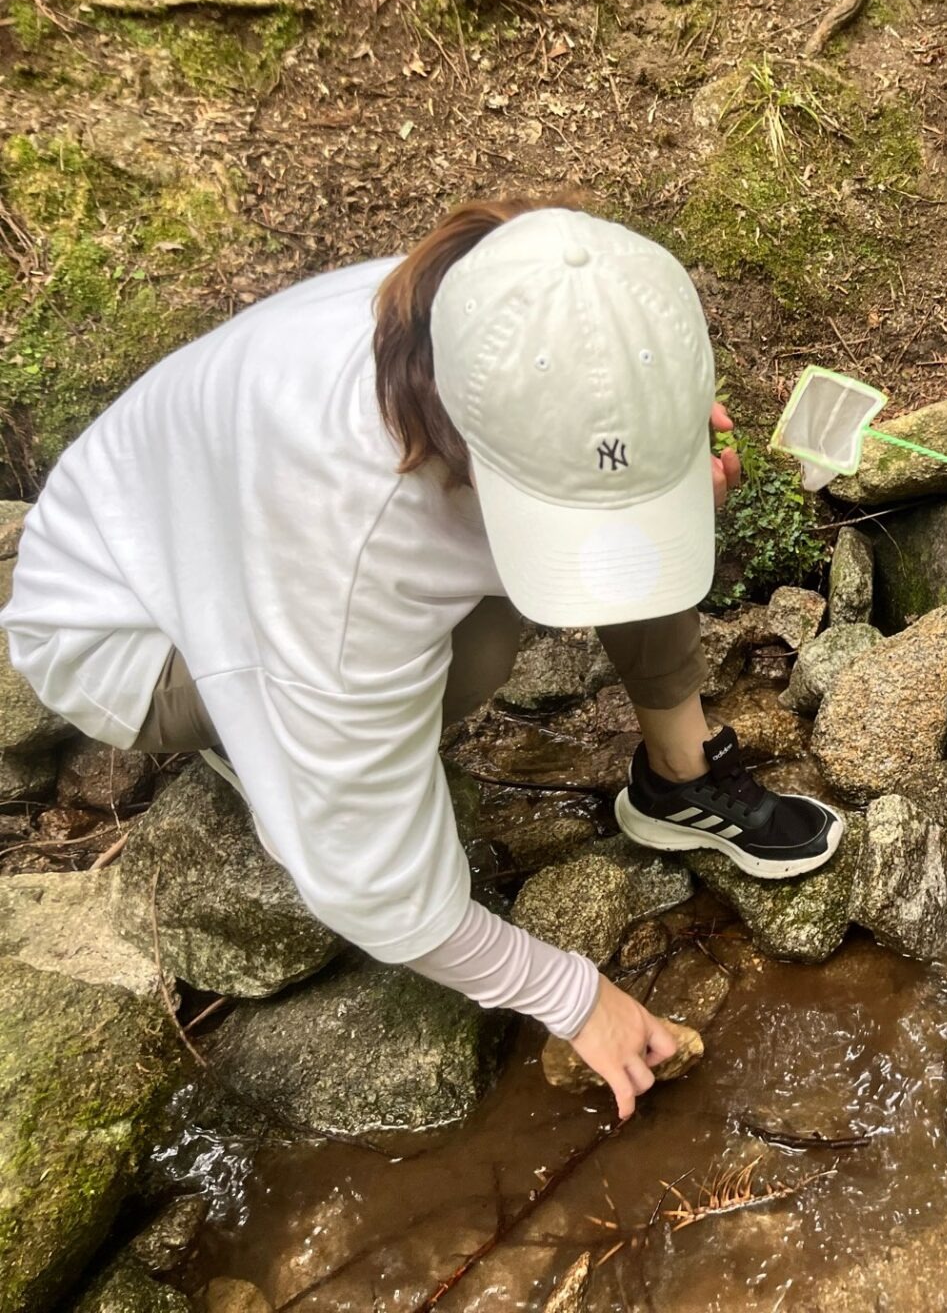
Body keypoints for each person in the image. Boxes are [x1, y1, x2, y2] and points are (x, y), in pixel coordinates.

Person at [0, 200, 844, 1117]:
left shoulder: (532, 314)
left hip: (215, 528)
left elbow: (625, 466)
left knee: (620, 539)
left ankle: (678, 779)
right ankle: (254, 737)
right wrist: (572, 995)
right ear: (461, 442)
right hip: (120, 628)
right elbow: (374, 886)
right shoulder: (343, 537)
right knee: (468, 661)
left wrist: (667, 484)